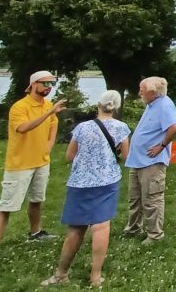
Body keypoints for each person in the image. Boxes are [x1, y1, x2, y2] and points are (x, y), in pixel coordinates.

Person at [41, 90, 130, 288]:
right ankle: (95, 277)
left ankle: (61, 273)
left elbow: (69, 156)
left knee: (75, 229)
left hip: (80, 182)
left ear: (98, 105)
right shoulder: (121, 128)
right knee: (101, 226)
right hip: (107, 181)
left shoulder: (82, 127)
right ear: (115, 107)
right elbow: (125, 156)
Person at [0, 70, 66, 263]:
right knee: (6, 206)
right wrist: (49, 112)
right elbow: (23, 128)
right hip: (20, 164)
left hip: (41, 162)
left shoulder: (48, 106)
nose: (48, 88)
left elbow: (53, 127)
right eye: (45, 83)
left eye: (51, 84)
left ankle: (35, 232)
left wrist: (48, 147)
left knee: (37, 200)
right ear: (33, 84)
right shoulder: (19, 107)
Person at [123, 76, 176, 245]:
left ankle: (155, 235)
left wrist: (162, 146)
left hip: (151, 161)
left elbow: (175, 126)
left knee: (152, 198)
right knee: (135, 198)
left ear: (152, 91)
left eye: (142, 89)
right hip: (138, 160)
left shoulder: (164, 105)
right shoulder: (151, 104)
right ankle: (133, 228)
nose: (139, 92)